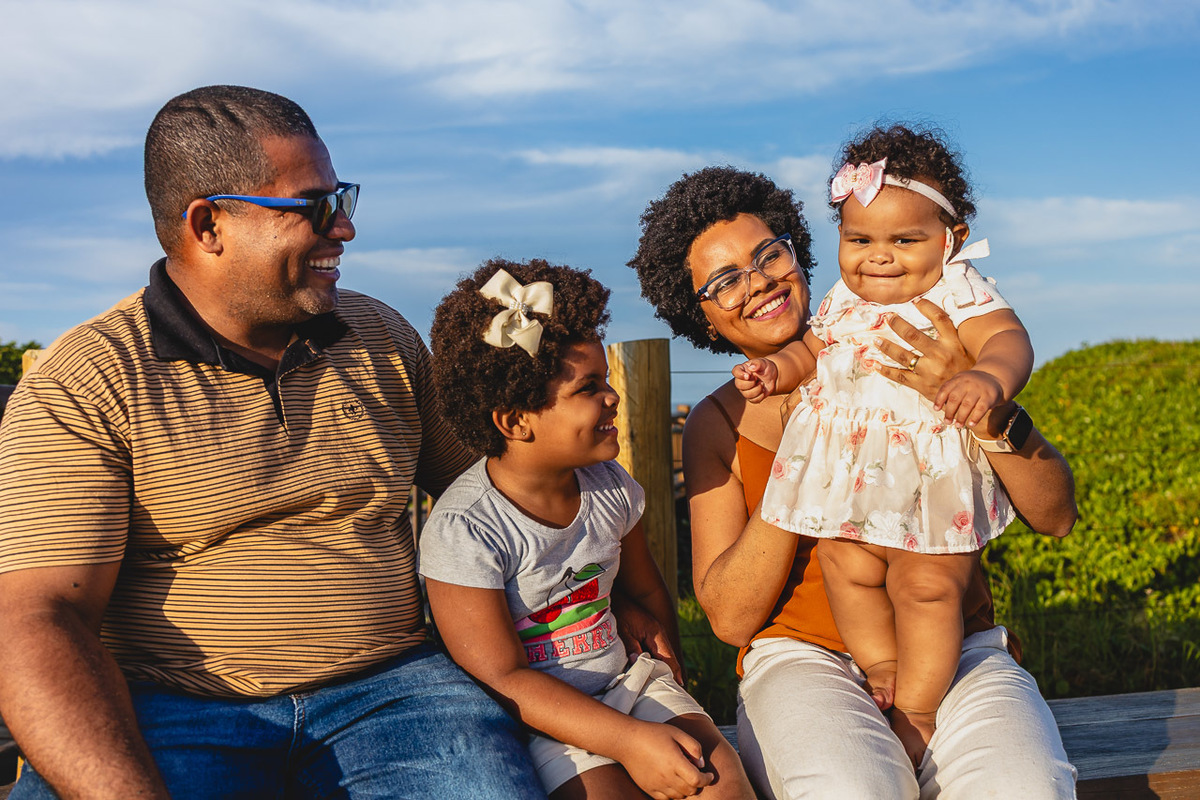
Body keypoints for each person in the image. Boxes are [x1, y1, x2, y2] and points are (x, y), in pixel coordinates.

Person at [0, 85, 546, 800]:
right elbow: (39, 618)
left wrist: (619, 591)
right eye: (314, 207)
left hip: (398, 694)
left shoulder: (380, 338)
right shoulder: (91, 379)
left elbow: (505, 494)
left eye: (343, 199)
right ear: (208, 226)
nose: (344, 230)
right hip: (173, 706)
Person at [627, 165, 1079, 798]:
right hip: (801, 658)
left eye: (769, 255)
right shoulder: (718, 422)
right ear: (701, 318)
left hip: (957, 643)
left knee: (1025, 787)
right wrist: (804, 465)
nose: (759, 283)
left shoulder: (916, 333)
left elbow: (1056, 517)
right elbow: (730, 618)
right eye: (726, 282)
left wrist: (985, 409)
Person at [731, 125, 1036, 764]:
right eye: (859, 239)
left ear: (949, 240)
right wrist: (775, 373)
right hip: (854, 489)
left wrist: (986, 377)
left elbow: (1010, 340)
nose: (879, 256)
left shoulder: (958, 290)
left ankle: (920, 713)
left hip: (929, 482)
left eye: (905, 240)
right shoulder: (844, 300)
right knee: (847, 567)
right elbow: (811, 352)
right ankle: (882, 667)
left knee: (929, 588)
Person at [419, 259, 755, 800]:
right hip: (545, 719)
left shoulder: (609, 488)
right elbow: (503, 678)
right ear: (515, 420)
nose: (612, 397)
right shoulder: (466, 529)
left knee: (717, 779)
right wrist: (628, 742)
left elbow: (644, 589)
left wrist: (673, 684)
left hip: (631, 683)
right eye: (588, 388)